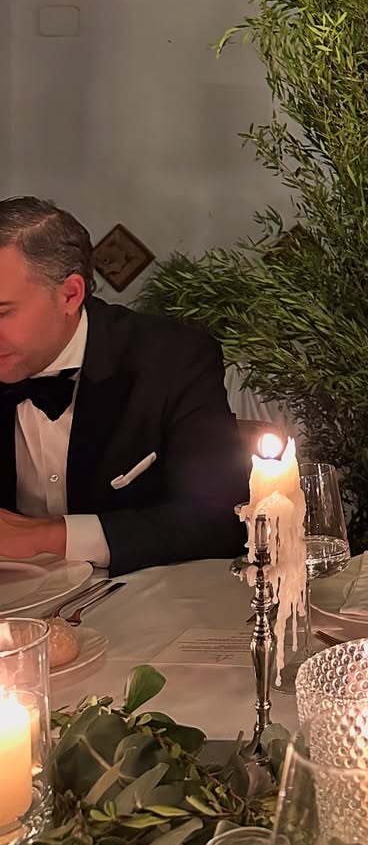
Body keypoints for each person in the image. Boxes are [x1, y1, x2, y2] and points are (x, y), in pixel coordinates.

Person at [0, 197, 248, 576]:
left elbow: (220, 520)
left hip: (141, 597)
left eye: (2, 312)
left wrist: (49, 537)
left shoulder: (172, 360)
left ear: (70, 295)